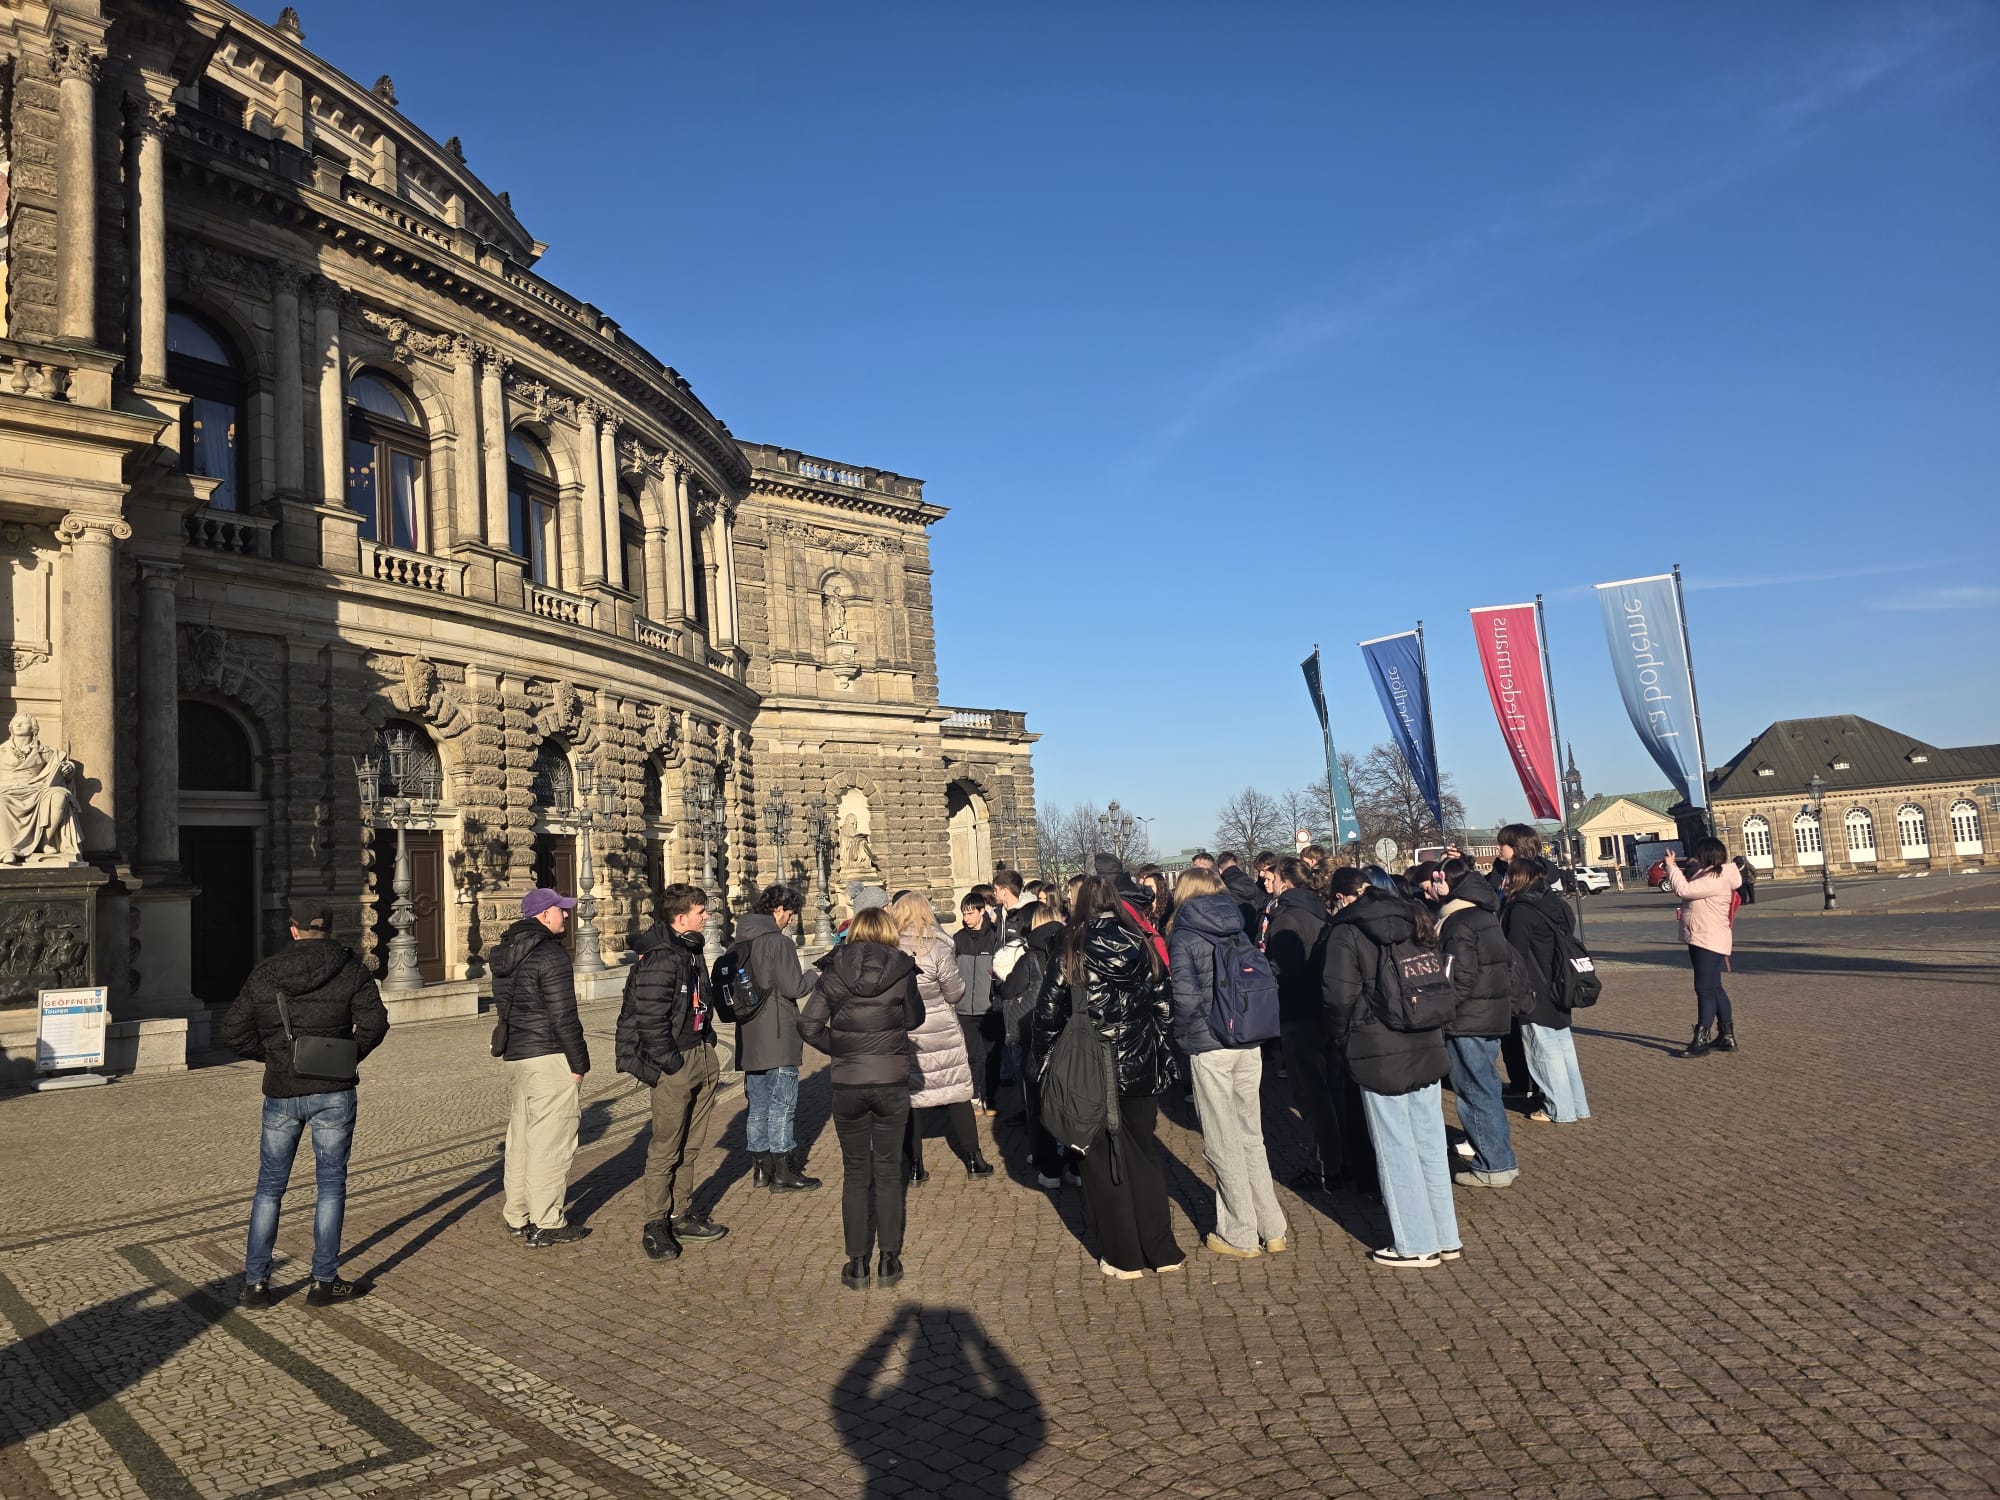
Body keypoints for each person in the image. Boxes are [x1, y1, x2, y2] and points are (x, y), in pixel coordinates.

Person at [222, 901, 390, 1307]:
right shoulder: (350, 968)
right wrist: (343, 1056)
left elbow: (233, 1030)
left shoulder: (267, 972)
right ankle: (323, 1281)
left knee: (269, 1187)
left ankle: (256, 1284)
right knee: (330, 1186)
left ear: (293, 930)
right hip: (334, 1091)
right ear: (328, 929)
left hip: (282, 1090)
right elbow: (375, 1022)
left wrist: (276, 1057)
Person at [1031, 875, 1184, 1279]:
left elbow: (1047, 1015)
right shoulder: (1142, 944)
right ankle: (1162, 1250)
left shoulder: (1071, 948)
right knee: (1144, 1154)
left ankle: (1124, 1256)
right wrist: (1157, 1049)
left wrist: (1046, 1063)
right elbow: (1165, 1008)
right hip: (1139, 1065)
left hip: (1089, 1069)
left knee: (1098, 1161)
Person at [1319, 868, 1461, 1268]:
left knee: (1394, 1146)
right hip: (1425, 1035)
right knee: (1430, 1142)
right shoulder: (1416, 918)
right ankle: (1445, 1235)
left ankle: (1415, 1242)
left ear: (1343, 898)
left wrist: (1339, 1038)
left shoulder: (1346, 932)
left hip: (1377, 1045)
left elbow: (1338, 996)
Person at [799, 907, 925, 1290]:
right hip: (889, 1080)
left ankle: (856, 1265)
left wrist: (842, 1048)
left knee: (855, 1173)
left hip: (849, 1082)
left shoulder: (835, 969)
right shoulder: (901, 969)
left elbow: (808, 1024)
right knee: (887, 1171)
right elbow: (914, 1019)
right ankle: (889, 1260)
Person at [1166, 868, 1288, 1260]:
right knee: (1251, 1134)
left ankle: (1239, 1232)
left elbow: (1185, 999)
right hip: (1247, 1037)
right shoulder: (1236, 925)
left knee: (1222, 1140)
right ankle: (1272, 1227)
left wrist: (1182, 1036)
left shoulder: (1185, 934)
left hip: (1210, 1044)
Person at [616, 883, 729, 1262]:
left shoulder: (690, 949)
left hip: (700, 1054)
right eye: (700, 912)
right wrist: (672, 1063)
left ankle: (681, 1213)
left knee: (691, 1145)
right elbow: (649, 1019)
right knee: (666, 1146)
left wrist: (707, 1044)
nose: (707, 917)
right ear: (681, 919)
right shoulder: (662, 958)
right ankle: (655, 1223)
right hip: (676, 1062)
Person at [492, 887, 591, 1249]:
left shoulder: (504, 953)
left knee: (521, 1139)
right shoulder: (551, 954)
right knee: (551, 1142)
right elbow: (563, 1015)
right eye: (561, 910)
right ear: (544, 914)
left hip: (518, 1055)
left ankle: (518, 1214)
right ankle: (547, 1221)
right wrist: (579, 1062)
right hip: (549, 1054)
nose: (566, 915)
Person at [892, 892, 994, 1180]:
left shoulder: (890, 948)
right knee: (957, 1092)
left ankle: (914, 1166)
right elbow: (955, 991)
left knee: (911, 1098)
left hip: (905, 1029)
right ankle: (974, 1160)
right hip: (940, 1028)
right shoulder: (937, 947)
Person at [727, 884, 821, 1192]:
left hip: (749, 1037)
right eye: (790, 914)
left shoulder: (738, 943)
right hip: (778, 1035)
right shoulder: (778, 942)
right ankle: (783, 1172)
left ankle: (760, 1169)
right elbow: (795, 987)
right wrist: (815, 975)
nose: (790, 920)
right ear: (778, 909)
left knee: (757, 1105)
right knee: (782, 1104)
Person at [1436, 858, 1523, 1188]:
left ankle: (1493, 1164)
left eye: (1439, 878)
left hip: (1469, 1018)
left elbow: (1460, 976)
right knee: (1485, 1087)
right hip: (1488, 1014)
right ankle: (1499, 1159)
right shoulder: (1484, 914)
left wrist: (1440, 1011)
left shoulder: (1458, 921)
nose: (1434, 885)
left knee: (1474, 1090)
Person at [1262, 858, 1340, 1194]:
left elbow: (1283, 971)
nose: (1268, 882)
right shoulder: (1319, 909)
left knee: (1310, 1093)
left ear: (1284, 880)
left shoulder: (1287, 918)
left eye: (1272, 877)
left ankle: (1324, 1165)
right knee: (1329, 1089)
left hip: (1297, 1013)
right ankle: (1336, 1158)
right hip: (1322, 1009)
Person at [1499, 858, 1592, 1125]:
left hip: (1534, 985)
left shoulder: (1521, 909)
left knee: (1542, 1048)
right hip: (1561, 981)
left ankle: (1558, 1107)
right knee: (1563, 1045)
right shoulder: (1556, 903)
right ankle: (1577, 1104)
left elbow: (1515, 951)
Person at [998, 900, 1071, 1186]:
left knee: (1038, 1102)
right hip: (1070, 1033)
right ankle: (1075, 1166)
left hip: (1036, 1034)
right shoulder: (1074, 952)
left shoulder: (1030, 958)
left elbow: (1009, 989)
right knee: (1070, 1099)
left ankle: (1049, 1167)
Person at [1664, 838, 1745, 1056]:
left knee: (1704, 989)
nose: (1696, 857)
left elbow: (1684, 890)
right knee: (1714, 987)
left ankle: (1701, 1039)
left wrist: (1671, 866)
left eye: (1699, 853)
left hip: (1707, 939)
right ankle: (1726, 1035)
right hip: (1705, 936)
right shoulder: (1711, 874)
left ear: (1706, 855)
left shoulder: (1714, 878)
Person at [953, 889, 1006, 1114]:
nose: (966, 918)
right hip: (964, 1008)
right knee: (970, 1055)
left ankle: (991, 1097)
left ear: (982, 911)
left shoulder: (994, 936)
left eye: (970, 913)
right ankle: (975, 1093)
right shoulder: (957, 939)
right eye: (964, 913)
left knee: (992, 1055)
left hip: (989, 1008)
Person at [1215, 851, 1264, 939]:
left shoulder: (1223, 890)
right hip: (1257, 934)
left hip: (1238, 937)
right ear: (1237, 865)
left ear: (1220, 870)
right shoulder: (1254, 884)